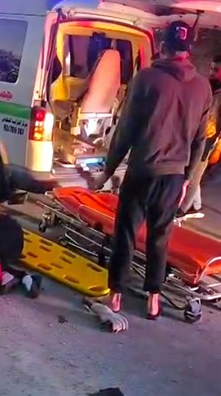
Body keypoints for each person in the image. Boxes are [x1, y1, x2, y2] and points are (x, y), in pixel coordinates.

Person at [94, 21, 212, 319]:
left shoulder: (147, 78)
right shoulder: (203, 87)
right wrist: (186, 180)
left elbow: (126, 129)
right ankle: (153, 300)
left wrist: (107, 170)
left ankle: (116, 296)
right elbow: (200, 141)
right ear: (188, 50)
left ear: (163, 46)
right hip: (174, 177)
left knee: (126, 233)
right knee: (160, 236)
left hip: (143, 171)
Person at [176, 54, 221, 219]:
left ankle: (183, 209)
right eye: (211, 68)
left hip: (208, 140)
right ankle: (196, 205)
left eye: (216, 70)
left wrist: (214, 143)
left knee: (194, 176)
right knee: (194, 173)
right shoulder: (208, 86)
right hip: (195, 135)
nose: (212, 72)